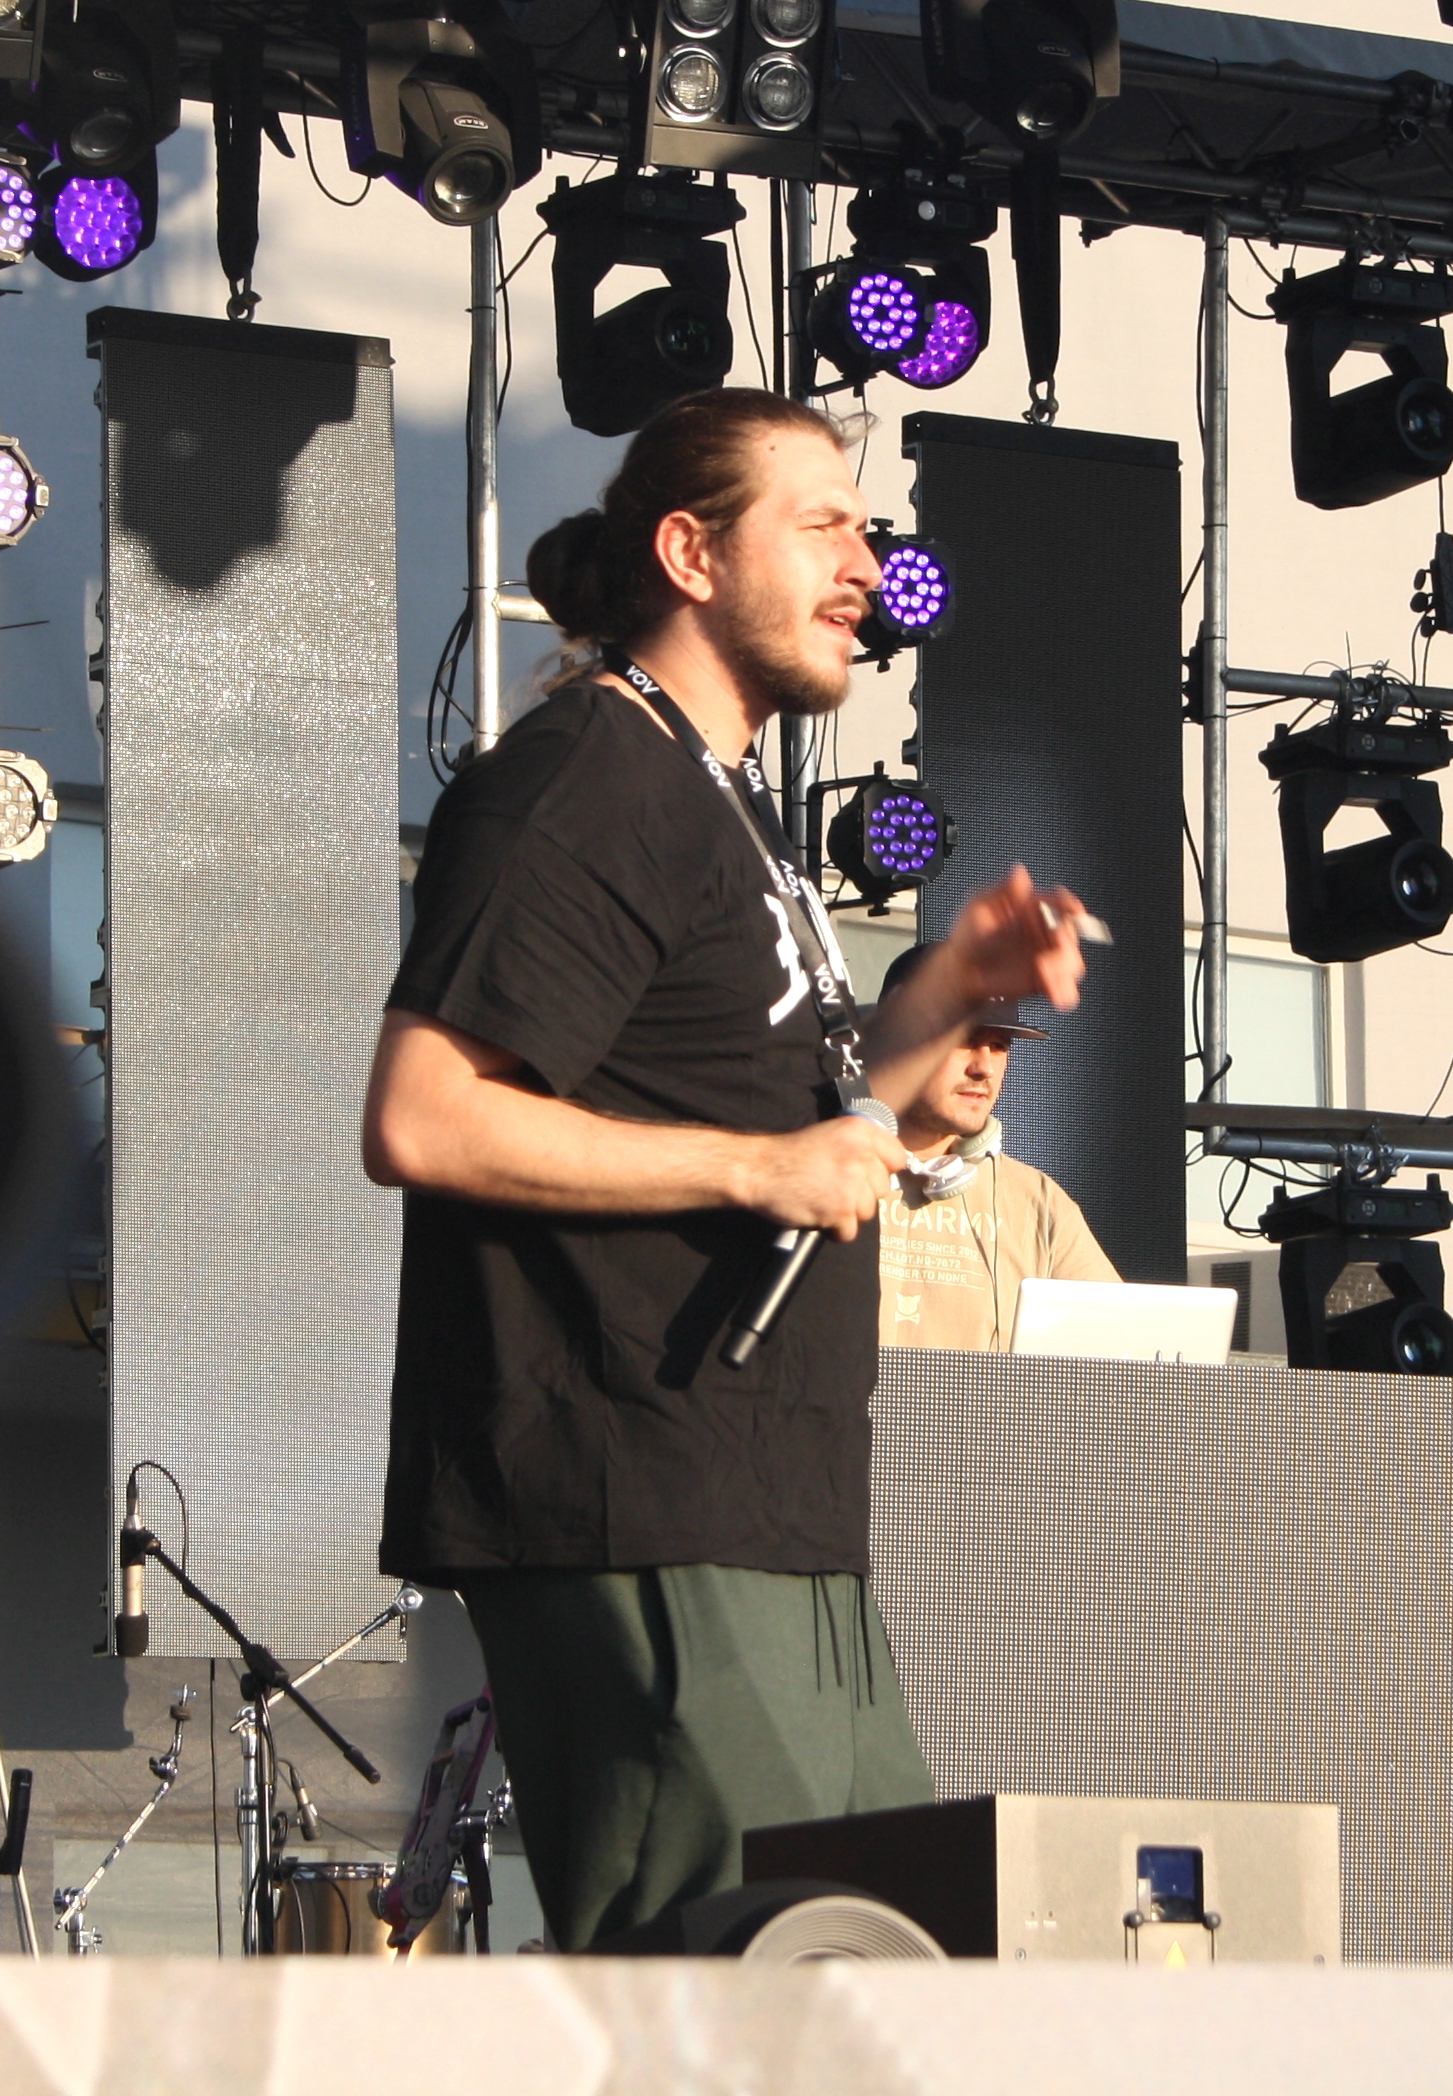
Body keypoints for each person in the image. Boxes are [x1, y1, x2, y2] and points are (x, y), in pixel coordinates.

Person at [359, 387, 1089, 1949]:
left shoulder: (717, 795)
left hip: (771, 1501)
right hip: (636, 1491)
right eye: (822, 526)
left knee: (880, 1960)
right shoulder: (587, 778)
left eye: (867, 531)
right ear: (692, 555)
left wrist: (942, 1005)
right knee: (731, 1984)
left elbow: (793, 1115)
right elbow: (427, 1116)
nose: (867, 566)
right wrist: (759, 1168)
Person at [867, 940, 1121, 1353]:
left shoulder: (1039, 1204)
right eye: (964, 1038)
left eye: (1000, 1045)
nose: (984, 1066)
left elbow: (1120, 1346)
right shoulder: (821, 1168)